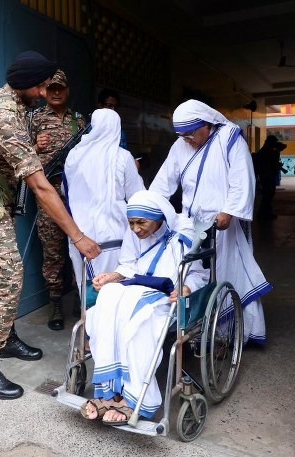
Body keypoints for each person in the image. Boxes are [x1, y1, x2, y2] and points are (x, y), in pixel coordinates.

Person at [0, 51, 101, 400]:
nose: (43, 93)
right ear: (25, 84)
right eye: (39, 87)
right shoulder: (3, 114)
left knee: (8, 273)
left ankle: (4, 339)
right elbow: (38, 184)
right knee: (8, 277)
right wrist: (78, 236)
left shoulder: (6, 98)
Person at [80, 190, 208, 425]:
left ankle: (135, 399)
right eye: (131, 223)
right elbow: (128, 265)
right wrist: (113, 276)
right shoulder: (134, 234)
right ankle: (108, 393)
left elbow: (197, 273)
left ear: (160, 217)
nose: (136, 229)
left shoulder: (182, 235)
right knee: (107, 299)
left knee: (136, 325)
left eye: (142, 222)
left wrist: (186, 288)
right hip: (134, 288)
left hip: (163, 296)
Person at [150, 99, 271, 345]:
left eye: (191, 134)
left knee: (227, 273)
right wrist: (151, 206)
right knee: (191, 274)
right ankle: (198, 329)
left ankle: (232, 335)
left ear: (207, 124)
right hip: (191, 223)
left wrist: (229, 211)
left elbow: (242, 177)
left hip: (223, 222)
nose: (188, 139)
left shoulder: (229, 137)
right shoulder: (180, 144)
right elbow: (164, 181)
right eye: (182, 135)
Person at [63, 108, 145, 297]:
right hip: (115, 234)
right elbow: (137, 197)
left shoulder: (74, 156)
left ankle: (90, 325)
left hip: (79, 234)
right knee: (114, 290)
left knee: (88, 290)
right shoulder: (122, 156)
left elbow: (65, 191)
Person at [29, 69, 86, 331]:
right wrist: (36, 147)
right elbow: (19, 156)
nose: (55, 93)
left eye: (59, 88)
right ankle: (55, 305)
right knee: (52, 253)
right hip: (49, 197)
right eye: (50, 88)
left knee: (79, 248)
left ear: (67, 90)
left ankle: (79, 298)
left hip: (76, 199)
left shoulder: (79, 121)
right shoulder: (35, 118)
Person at [256, 135, 287, 220]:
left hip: (267, 176)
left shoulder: (267, 150)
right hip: (267, 176)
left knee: (268, 195)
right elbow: (271, 163)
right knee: (267, 195)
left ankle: (266, 213)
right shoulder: (267, 151)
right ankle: (262, 214)